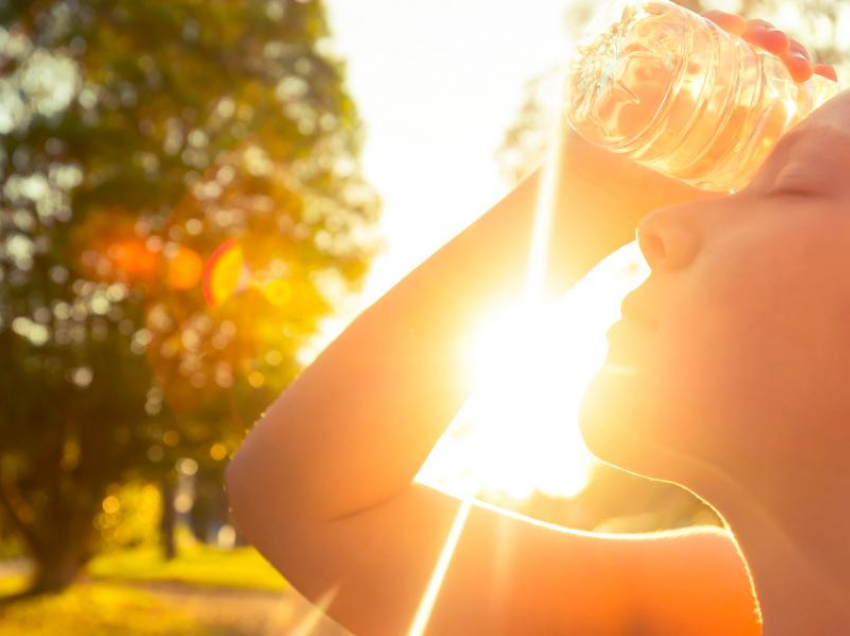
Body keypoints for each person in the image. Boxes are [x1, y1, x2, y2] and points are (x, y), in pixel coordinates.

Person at [226, 10, 846, 635]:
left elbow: (302, 504)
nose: (654, 227)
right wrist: (587, 191)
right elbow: (296, 496)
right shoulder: (713, 609)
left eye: (791, 183)